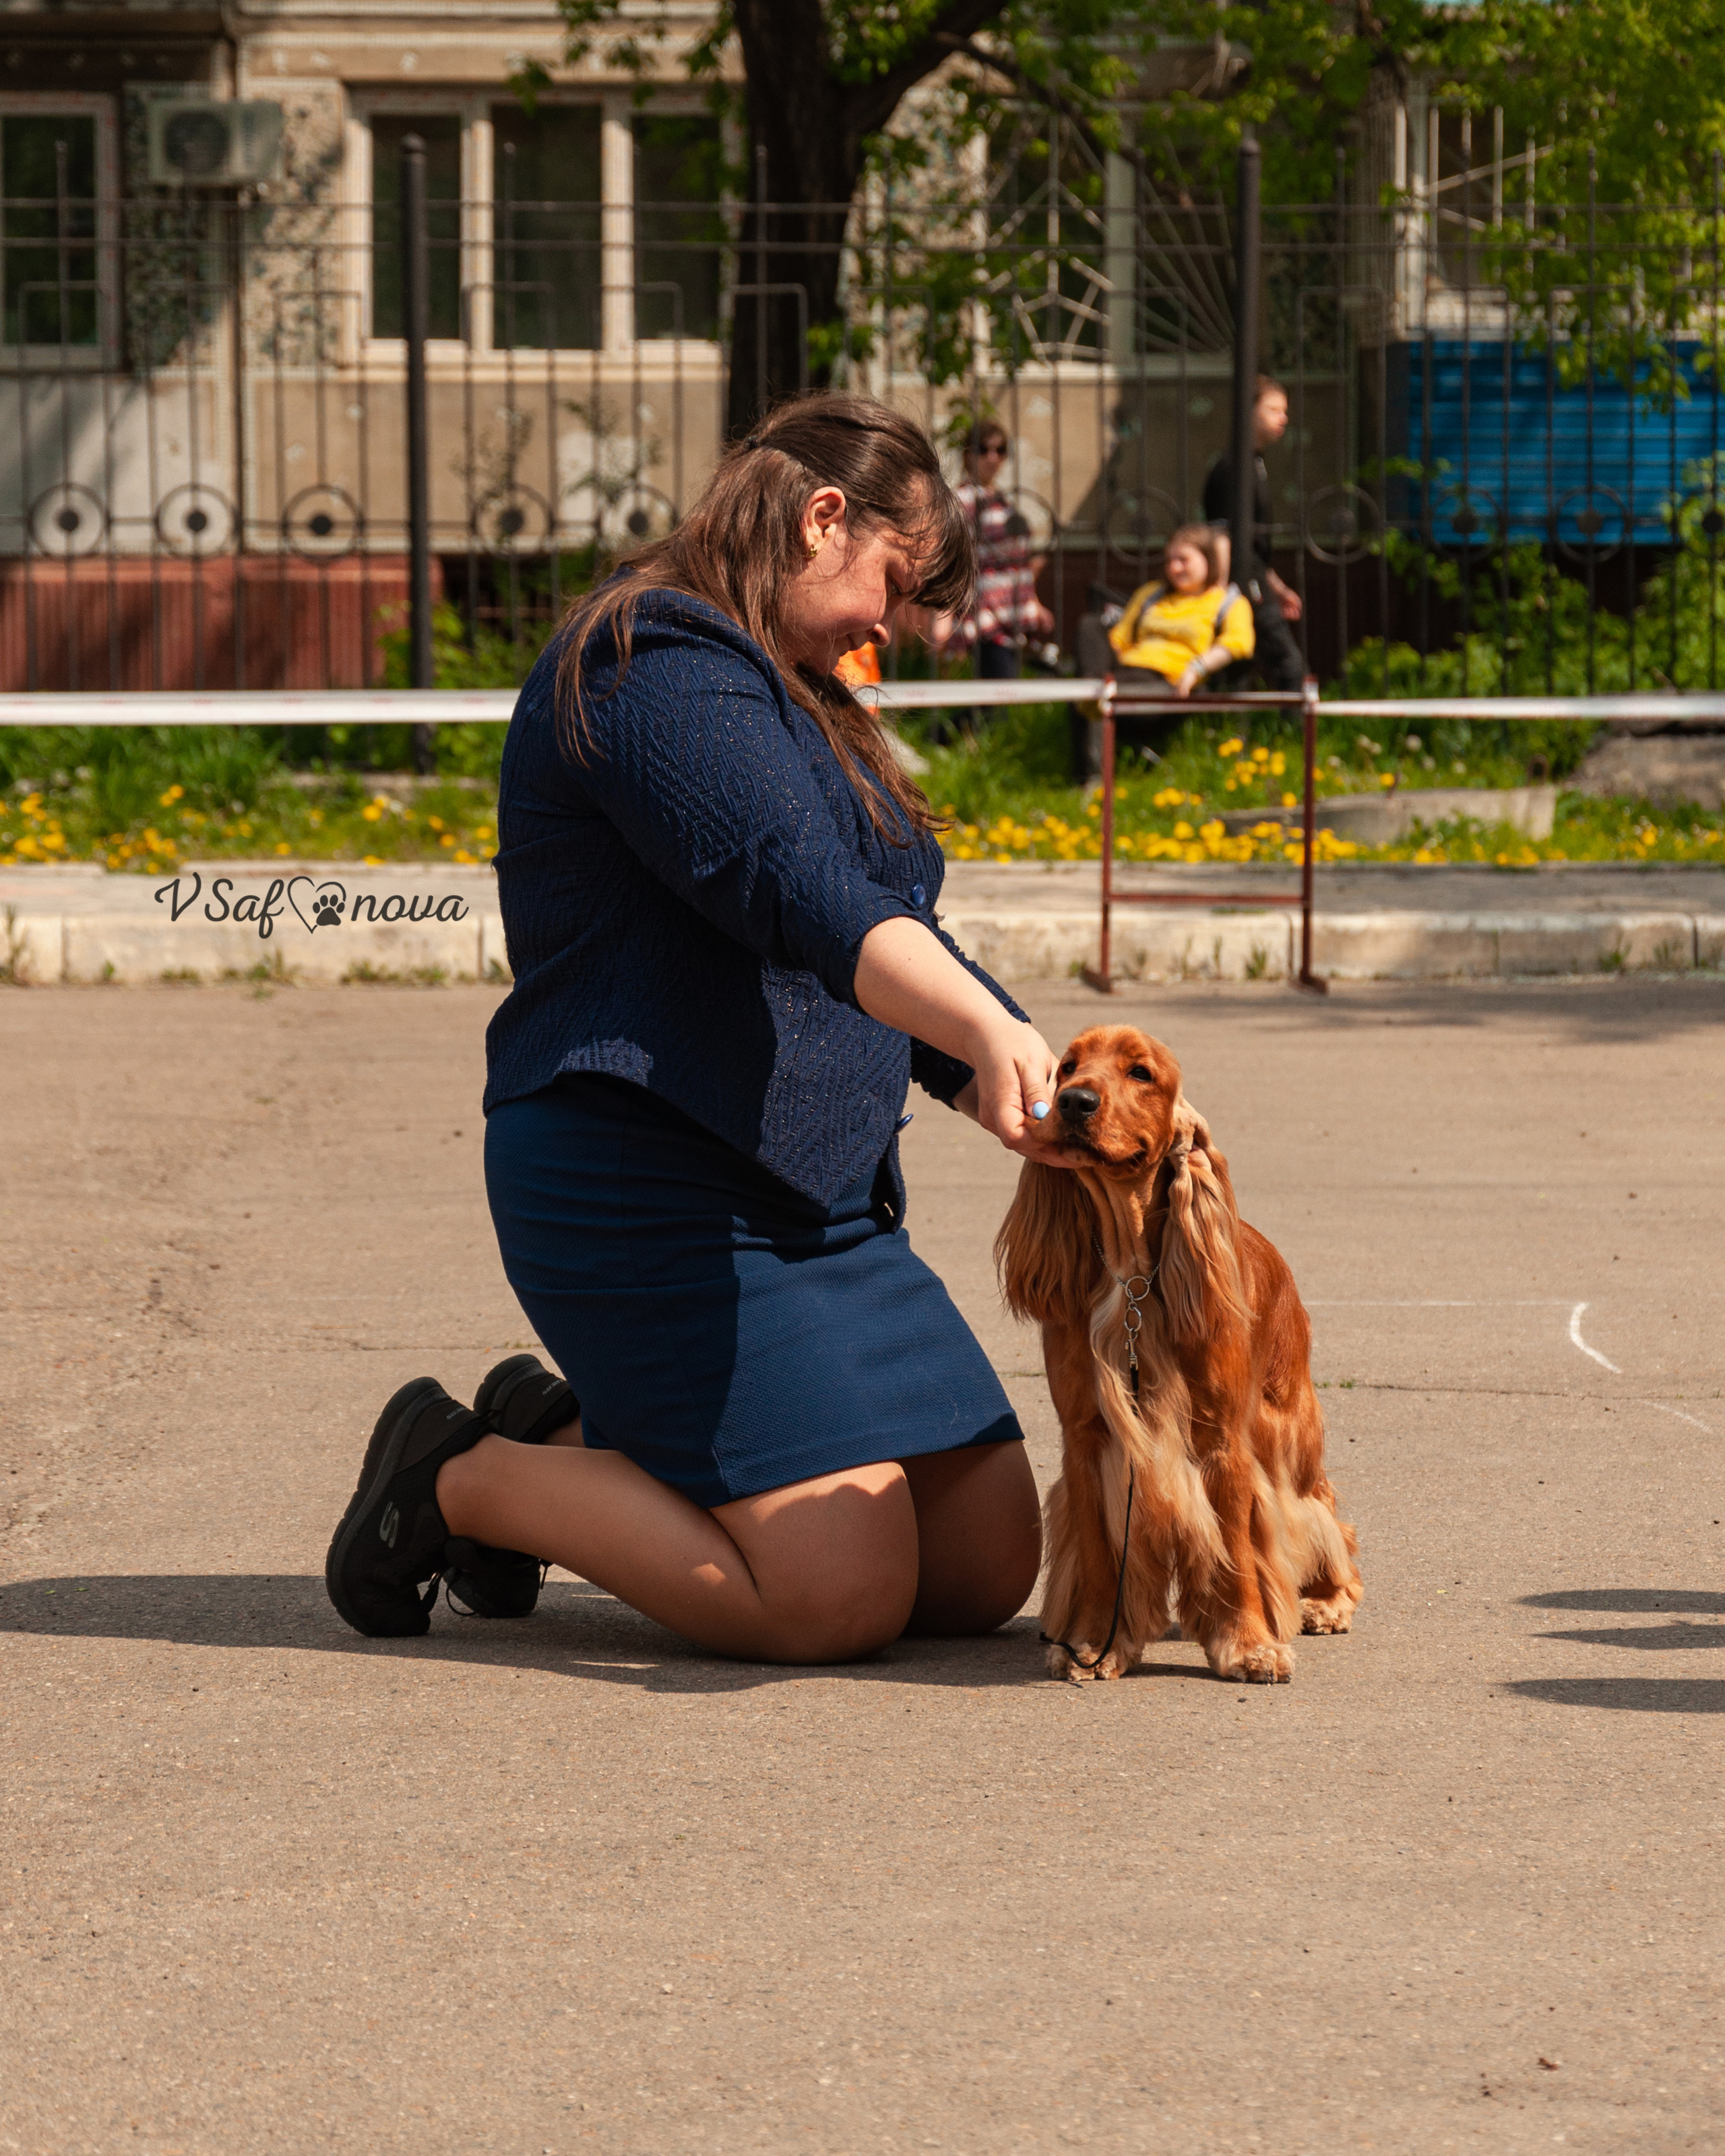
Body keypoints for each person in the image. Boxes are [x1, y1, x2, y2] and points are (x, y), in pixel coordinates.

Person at [323, 394, 1063, 1666]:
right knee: (835, 1591)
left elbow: (896, 928)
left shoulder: (807, 687)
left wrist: (1022, 1071)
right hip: (645, 1186)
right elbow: (801, 893)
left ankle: (570, 1435)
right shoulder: (646, 662)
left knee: (985, 1558)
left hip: (816, 1209)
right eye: (892, 583)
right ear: (824, 518)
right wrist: (986, 1029)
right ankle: (460, 1471)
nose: (892, 627)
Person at [1069, 524, 1254, 785]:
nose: (1174, 568)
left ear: (1208, 561)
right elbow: (1118, 639)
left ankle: (1091, 775)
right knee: (1090, 625)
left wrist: (1197, 669)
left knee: (1095, 694)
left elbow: (1239, 643)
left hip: (1169, 683)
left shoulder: (1229, 602)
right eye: (1170, 561)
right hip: (1125, 671)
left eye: (1183, 560)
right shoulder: (1151, 594)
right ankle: (1094, 691)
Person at [930, 420, 1054, 735]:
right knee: (1000, 692)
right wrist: (942, 615)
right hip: (983, 610)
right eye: (985, 450)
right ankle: (944, 737)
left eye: (1000, 450)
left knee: (999, 692)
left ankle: (951, 737)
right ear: (969, 455)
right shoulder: (960, 502)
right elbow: (949, 560)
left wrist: (1034, 603)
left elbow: (1017, 561)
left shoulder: (1001, 500)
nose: (993, 458)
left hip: (1011, 609)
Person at [1200, 376, 1307, 694]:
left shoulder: (1255, 462)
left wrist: (1276, 586)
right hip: (1242, 580)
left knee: (1236, 667)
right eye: (1274, 409)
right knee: (1289, 665)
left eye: (1284, 411)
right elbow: (1226, 535)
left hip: (1253, 578)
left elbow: (1251, 540)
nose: (1283, 418)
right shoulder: (1234, 467)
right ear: (1248, 412)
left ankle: (1222, 731)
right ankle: (1293, 738)